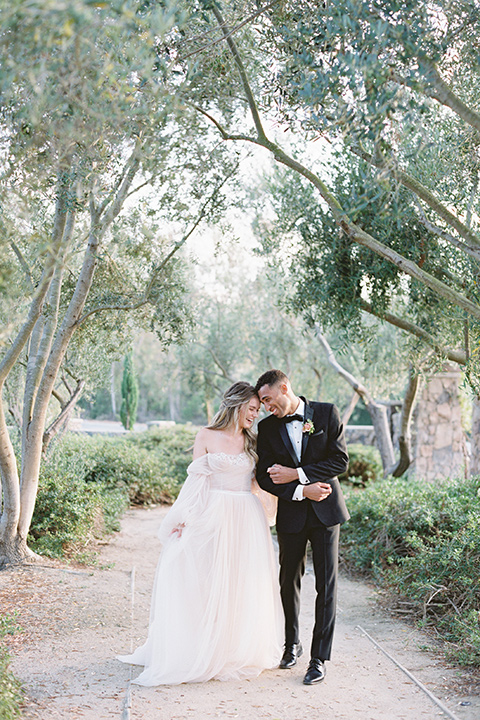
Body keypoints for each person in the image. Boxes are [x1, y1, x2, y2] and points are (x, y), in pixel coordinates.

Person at [118, 381, 283, 685]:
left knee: (239, 581)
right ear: (235, 405)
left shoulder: (253, 441)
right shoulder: (206, 436)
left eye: (257, 411)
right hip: (214, 513)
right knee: (205, 578)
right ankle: (203, 645)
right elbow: (197, 482)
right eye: (251, 409)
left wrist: (273, 509)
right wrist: (184, 517)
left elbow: (259, 482)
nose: (254, 416)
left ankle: (233, 646)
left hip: (246, 517)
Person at [254, 369, 349, 686]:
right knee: (287, 582)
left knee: (327, 586)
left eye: (268, 399)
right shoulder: (267, 428)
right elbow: (265, 476)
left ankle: (318, 658)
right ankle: (291, 644)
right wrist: (298, 491)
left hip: (325, 512)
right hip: (291, 516)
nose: (266, 406)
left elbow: (339, 461)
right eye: (262, 402)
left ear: (284, 388)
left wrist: (298, 475)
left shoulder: (326, 412)